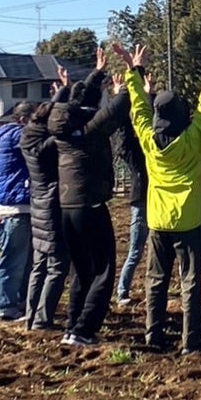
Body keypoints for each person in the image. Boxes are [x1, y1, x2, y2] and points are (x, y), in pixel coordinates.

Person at [118, 41, 201, 354]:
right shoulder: (194, 139)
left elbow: (138, 107)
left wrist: (133, 70)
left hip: (157, 221)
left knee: (156, 280)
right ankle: (190, 340)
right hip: (189, 220)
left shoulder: (149, 140)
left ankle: (154, 336)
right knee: (190, 282)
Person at [47, 47, 131, 348]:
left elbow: (85, 99)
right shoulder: (92, 130)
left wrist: (97, 73)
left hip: (66, 205)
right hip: (90, 204)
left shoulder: (62, 125)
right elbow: (118, 109)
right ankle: (84, 328)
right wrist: (130, 78)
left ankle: (72, 327)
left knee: (80, 270)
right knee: (103, 269)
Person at [20, 77, 70, 332]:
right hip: (51, 208)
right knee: (58, 266)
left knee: (38, 266)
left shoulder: (28, 137)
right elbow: (61, 130)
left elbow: (50, 113)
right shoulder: (47, 146)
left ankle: (31, 317)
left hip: (38, 206)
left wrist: (63, 89)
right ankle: (42, 320)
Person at [0, 101, 33, 321]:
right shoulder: (16, 136)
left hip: (15, 206)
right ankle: (6, 306)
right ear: (23, 120)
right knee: (13, 258)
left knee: (22, 259)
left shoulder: (8, 136)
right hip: (15, 207)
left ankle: (17, 302)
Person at [113, 69, 150, 310]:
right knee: (136, 250)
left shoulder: (151, 145)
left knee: (149, 251)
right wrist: (122, 97)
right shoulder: (137, 152)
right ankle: (122, 291)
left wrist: (146, 96)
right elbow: (124, 134)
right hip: (143, 203)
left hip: (154, 201)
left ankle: (149, 289)